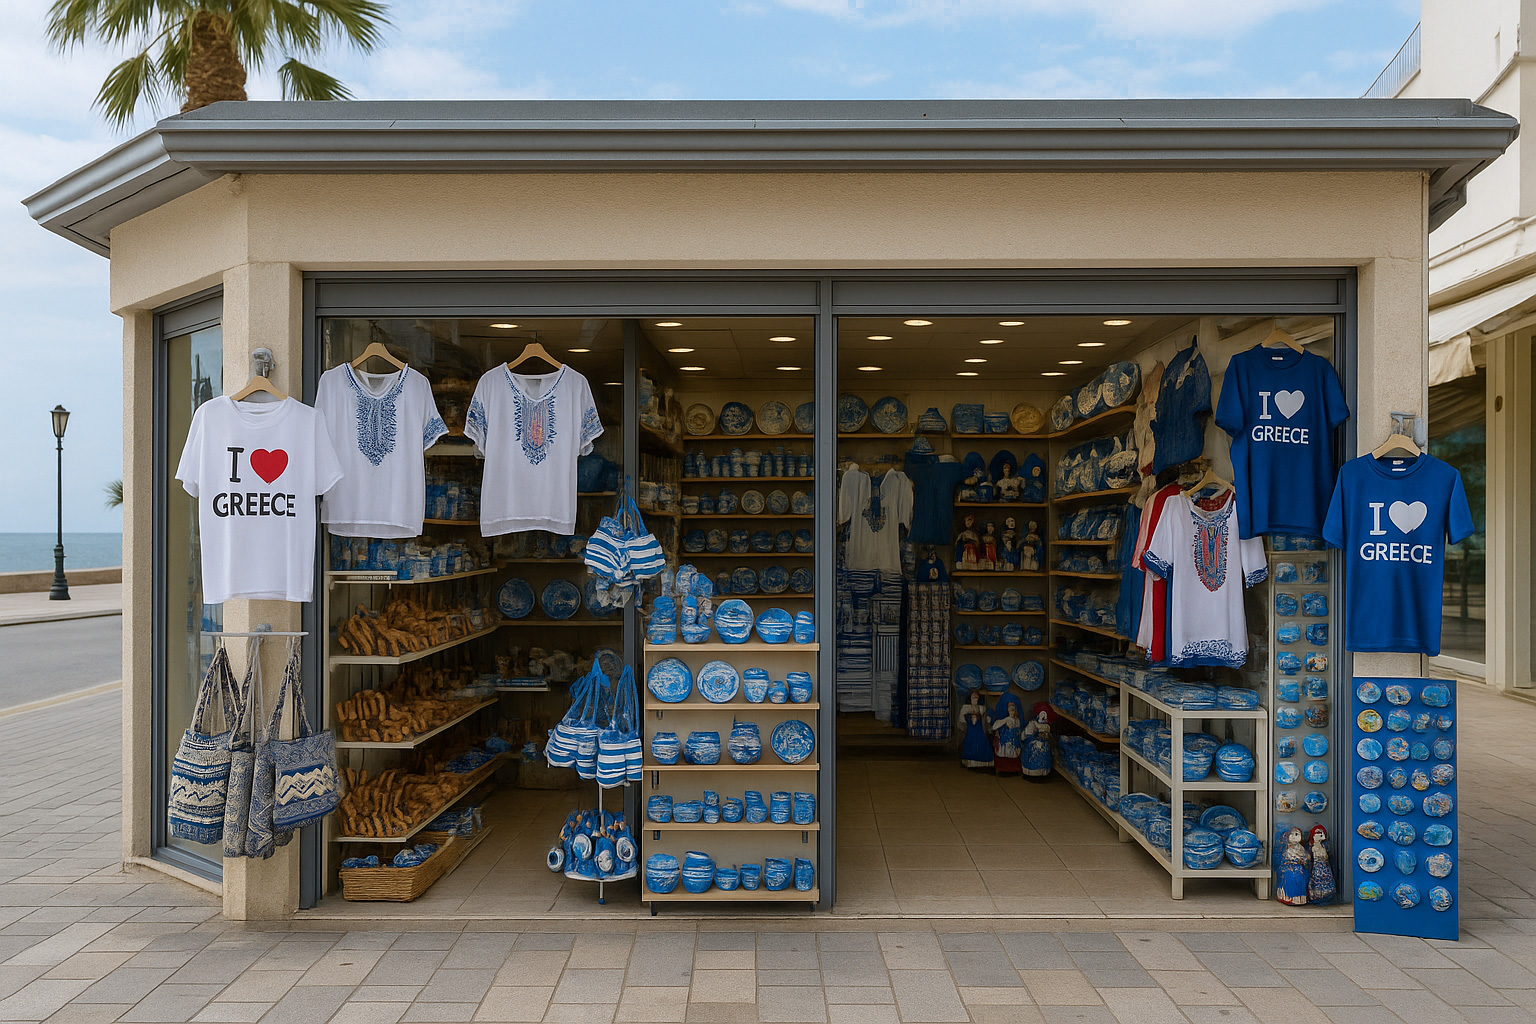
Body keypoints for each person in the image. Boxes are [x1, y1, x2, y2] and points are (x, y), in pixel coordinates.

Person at [1276, 826, 1310, 906]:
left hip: (1299, 868)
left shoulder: (1301, 848)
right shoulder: (1286, 848)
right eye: (1292, 834)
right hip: (1289, 868)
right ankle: (1288, 897)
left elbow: (1305, 857)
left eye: (1297, 834)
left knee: (1300, 879)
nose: (1294, 837)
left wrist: (1304, 859)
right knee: (1290, 878)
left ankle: (1299, 898)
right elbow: (1284, 858)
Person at [960, 690, 993, 769]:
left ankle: (981, 763)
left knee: (982, 743)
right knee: (970, 744)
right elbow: (961, 720)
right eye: (973, 697)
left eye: (976, 697)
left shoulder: (981, 708)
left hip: (979, 730)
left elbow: (986, 719)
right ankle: (969, 762)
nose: (975, 699)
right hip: (970, 730)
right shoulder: (965, 708)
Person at [991, 696, 1023, 776]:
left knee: (1014, 752)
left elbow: (1019, 730)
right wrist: (1004, 721)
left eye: (1013, 710)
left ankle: (1013, 769)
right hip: (1005, 739)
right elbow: (995, 726)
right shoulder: (1005, 719)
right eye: (1010, 710)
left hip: (1014, 740)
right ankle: (1003, 769)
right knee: (1005, 751)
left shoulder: (1017, 721)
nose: (1012, 712)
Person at [1020, 703, 1053, 780]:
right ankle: (1031, 773)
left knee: (1043, 751)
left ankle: (1042, 773)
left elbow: (1046, 732)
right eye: (1042, 713)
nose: (1043, 715)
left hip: (1043, 743)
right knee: (1032, 751)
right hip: (1033, 742)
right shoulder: (1033, 723)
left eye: (1045, 713)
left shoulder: (1046, 725)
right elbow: (1027, 733)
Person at [1307, 824, 1337, 905]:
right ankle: (1318, 896)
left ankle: (1327, 896)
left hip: (1325, 866)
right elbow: (1309, 858)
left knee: (1327, 881)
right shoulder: (1312, 846)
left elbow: (1329, 856)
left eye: (1322, 834)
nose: (1321, 836)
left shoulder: (1324, 846)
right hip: (1317, 867)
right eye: (1319, 834)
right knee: (1317, 881)